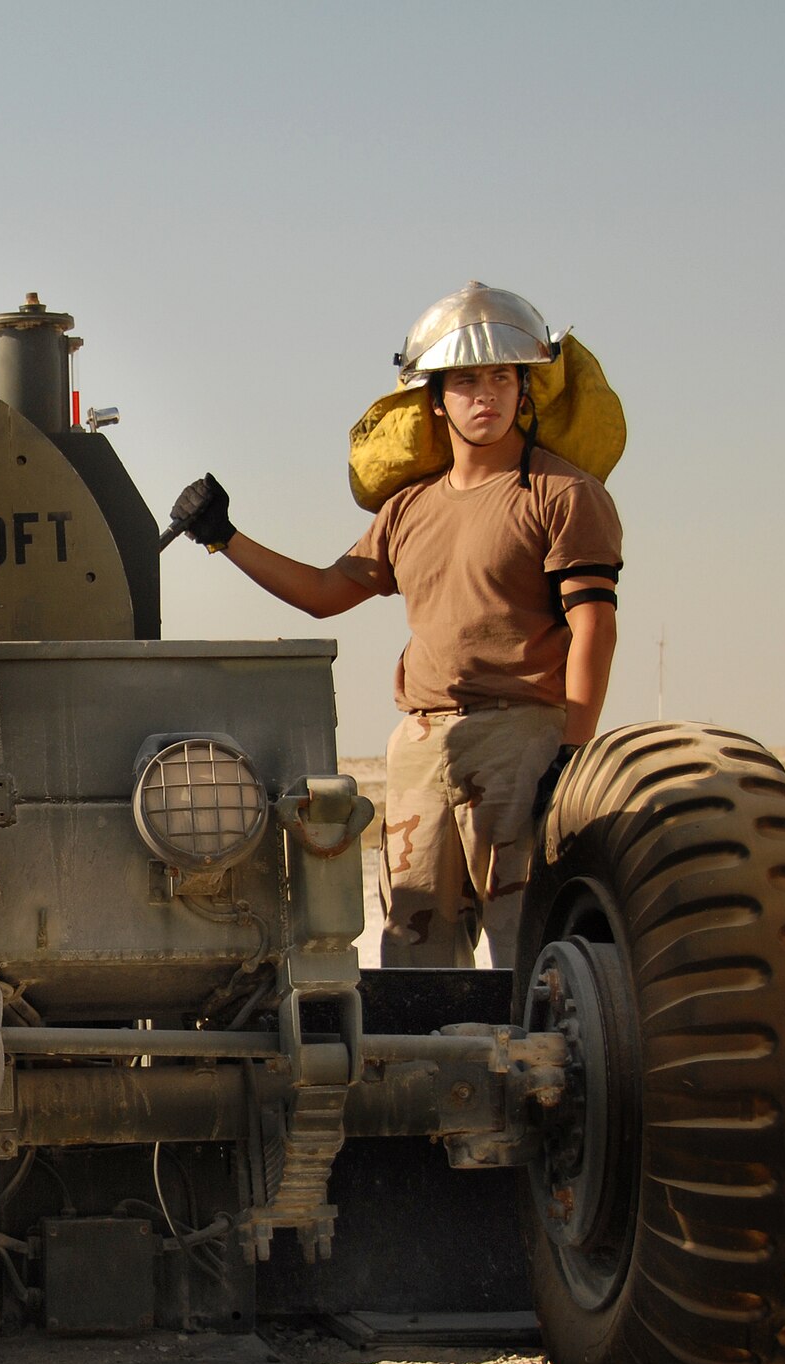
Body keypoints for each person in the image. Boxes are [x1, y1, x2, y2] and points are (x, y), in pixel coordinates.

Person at [166, 283, 622, 970]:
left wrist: (571, 753)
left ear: (526, 391)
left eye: (503, 377)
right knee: (415, 950)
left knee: (527, 943)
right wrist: (224, 537)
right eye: (466, 380)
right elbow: (325, 592)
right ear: (435, 398)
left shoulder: (564, 495)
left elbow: (594, 628)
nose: (486, 395)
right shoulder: (409, 508)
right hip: (421, 743)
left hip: (522, 737)